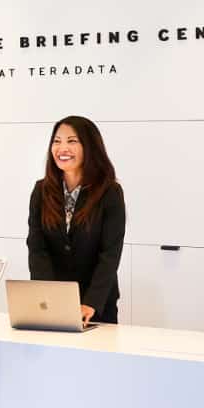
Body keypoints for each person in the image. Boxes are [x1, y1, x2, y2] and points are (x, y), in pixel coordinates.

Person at [26, 116, 126, 325]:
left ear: (89, 147)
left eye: (72, 141)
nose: (62, 148)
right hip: (52, 304)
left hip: (96, 306)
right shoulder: (41, 191)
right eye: (57, 141)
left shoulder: (109, 192)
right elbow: (37, 249)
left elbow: (110, 254)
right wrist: (49, 295)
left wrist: (91, 302)